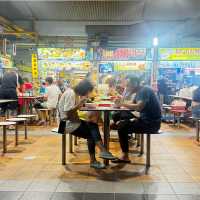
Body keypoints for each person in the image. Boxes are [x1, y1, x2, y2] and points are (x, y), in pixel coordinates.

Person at [58, 79, 115, 169]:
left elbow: (72, 111)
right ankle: (101, 153)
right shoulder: (71, 94)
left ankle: (100, 154)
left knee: (93, 126)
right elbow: (68, 113)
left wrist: (81, 104)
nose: (88, 93)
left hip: (72, 122)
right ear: (84, 89)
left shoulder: (74, 93)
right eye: (88, 91)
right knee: (92, 132)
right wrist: (79, 104)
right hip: (65, 124)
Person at [112, 76, 161, 163]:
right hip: (145, 119)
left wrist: (122, 103)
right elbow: (132, 103)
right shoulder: (140, 90)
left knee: (122, 127)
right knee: (117, 115)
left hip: (151, 123)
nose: (126, 87)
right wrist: (120, 102)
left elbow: (139, 107)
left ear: (135, 84)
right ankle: (122, 127)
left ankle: (125, 156)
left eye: (128, 85)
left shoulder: (144, 90)